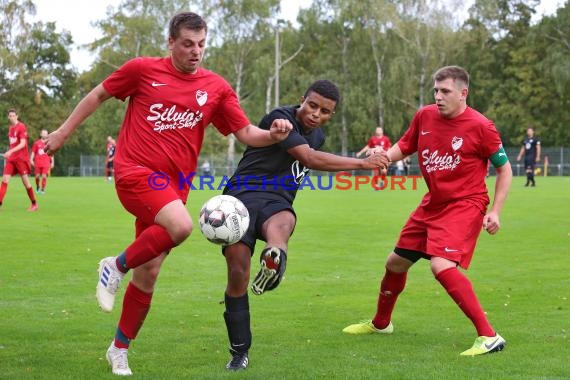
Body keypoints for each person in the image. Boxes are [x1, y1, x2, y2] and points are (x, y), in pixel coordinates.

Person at [44, 12, 292, 376]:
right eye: (188, 44)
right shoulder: (142, 70)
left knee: (150, 271)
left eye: (202, 44)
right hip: (135, 173)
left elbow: (245, 133)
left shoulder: (216, 88)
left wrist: (272, 135)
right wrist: (63, 133)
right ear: (171, 43)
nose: (196, 52)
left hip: (173, 188)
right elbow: (98, 94)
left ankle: (119, 349)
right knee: (180, 225)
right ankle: (114, 265)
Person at [343, 66, 513, 357]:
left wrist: (495, 211)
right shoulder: (425, 115)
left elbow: (505, 169)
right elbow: (406, 145)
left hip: (465, 204)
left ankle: (489, 336)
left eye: (445, 91)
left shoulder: (481, 126)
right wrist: (383, 157)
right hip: (432, 203)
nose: (438, 96)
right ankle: (381, 324)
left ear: (463, 93)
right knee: (395, 263)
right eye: (436, 90)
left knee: (441, 265)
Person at [220, 80, 389, 371]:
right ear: (302, 100)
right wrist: (363, 164)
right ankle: (240, 351)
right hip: (242, 197)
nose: (315, 114)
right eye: (312, 105)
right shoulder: (280, 118)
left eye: (324, 111)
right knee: (237, 272)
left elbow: (312, 154)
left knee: (284, 221)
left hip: (277, 199)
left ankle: (275, 256)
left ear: (330, 115)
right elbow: (308, 157)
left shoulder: (318, 135)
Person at [0, 109, 38, 211]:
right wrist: (9, 153)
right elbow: (13, 144)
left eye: (13, 115)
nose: (12, 117)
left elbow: (22, 144)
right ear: (8, 117)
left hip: (21, 159)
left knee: (26, 183)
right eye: (10, 116)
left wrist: (10, 151)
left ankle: (34, 204)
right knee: (4, 180)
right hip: (11, 159)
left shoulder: (21, 126)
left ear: (17, 116)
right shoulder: (10, 129)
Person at [30, 129, 54, 194]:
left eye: (46, 133)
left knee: (44, 176)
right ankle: (38, 186)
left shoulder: (49, 143)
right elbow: (33, 152)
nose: (44, 135)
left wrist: (52, 162)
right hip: (37, 162)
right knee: (37, 177)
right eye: (43, 133)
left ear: (47, 135)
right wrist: (31, 159)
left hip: (46, 162)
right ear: (41, 134)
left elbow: (51, 153)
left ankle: (43, 189)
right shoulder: (36, 143)